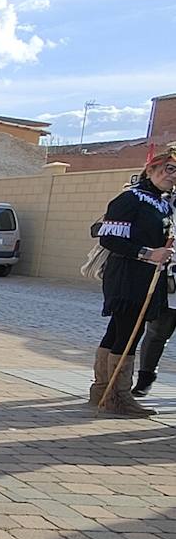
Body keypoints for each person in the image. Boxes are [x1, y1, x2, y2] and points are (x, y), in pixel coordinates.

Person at [90, 146, 176, 416]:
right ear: (151, 169)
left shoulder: (162, 201)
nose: (172, 175)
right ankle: (119, 395)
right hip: (129, 276)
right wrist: (149, 253)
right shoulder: (131, 198)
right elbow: (109, 239)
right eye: (169, 168)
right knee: (128, 331)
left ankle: (104, 389)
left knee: (118, 329)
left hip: (148, 275)